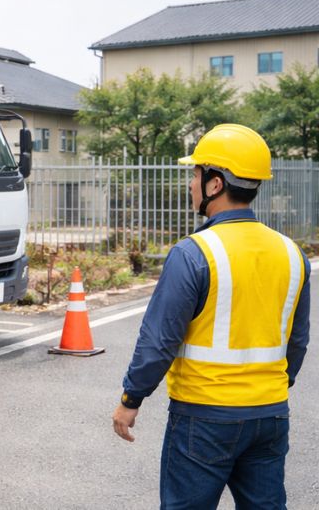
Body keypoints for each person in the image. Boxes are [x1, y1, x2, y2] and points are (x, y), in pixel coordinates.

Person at [112, 124, 310, 509]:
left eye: (196, 173)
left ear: (215, 184)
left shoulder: (194, 253)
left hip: (204, 418)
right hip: (269, 416)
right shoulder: (291, 253)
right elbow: (297, 342)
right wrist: (268, 390)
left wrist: (130, 398)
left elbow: (159, 341)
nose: (191, 183)